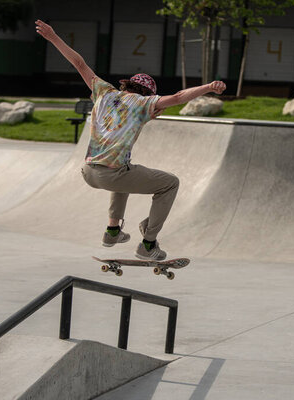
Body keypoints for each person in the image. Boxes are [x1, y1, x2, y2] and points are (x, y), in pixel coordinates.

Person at [35, 20, 226, 260]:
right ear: (147, 94)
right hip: (111, 174)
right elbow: (178, 97)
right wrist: (208, 86)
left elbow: (79, 63)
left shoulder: (104, 92)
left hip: (88, 171)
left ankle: (112, 231)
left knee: (125, 169)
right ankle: (148, 244)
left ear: (128, 85)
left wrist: (53, 37)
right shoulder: (144, 103)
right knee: (170, 183)